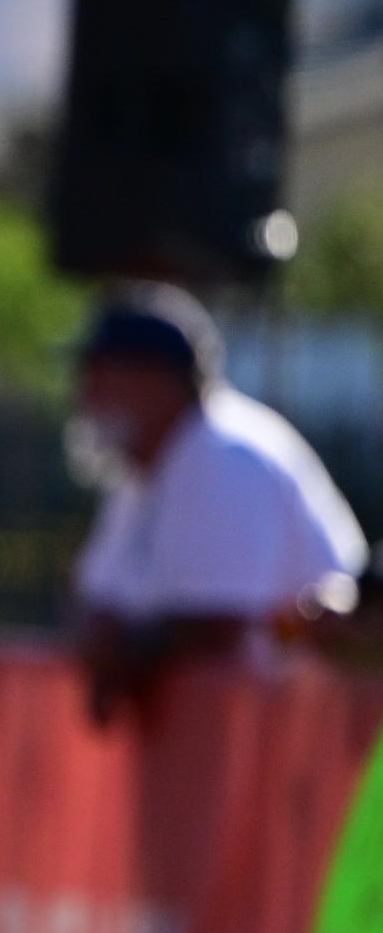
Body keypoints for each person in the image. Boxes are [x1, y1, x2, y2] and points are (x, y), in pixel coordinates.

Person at [69, 285, 364, 720]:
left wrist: (125, 653)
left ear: (155, 381)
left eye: (100, 373)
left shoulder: (228, 453)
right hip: (251, 733)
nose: (85, 395)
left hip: (319, 731)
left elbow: (220, 623)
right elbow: (98, 601)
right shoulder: (142, 469)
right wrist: (109, 644)